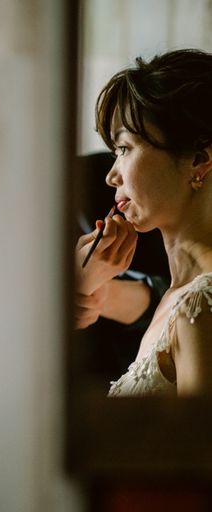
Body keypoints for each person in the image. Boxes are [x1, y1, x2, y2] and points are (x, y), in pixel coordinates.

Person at [76, 48, 212, 397]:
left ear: (199, 160)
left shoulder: (200, 309)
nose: (111, 176)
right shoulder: (178, 298)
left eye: (124, 149)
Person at [74, 153, 170, 382]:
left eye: (123, 148)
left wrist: (101, 293)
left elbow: (181, 300)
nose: (111, 177)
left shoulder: (92, 180)